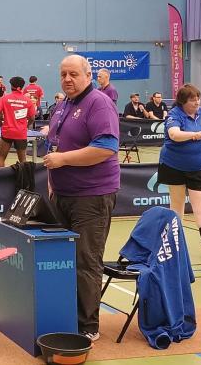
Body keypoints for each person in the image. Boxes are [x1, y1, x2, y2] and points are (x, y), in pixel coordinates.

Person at [41, 54, 120, 342]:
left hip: (92, 196)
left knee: (86, 261)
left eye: (73, 74)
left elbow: (106, 147)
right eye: (63, 74)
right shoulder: (63, 105)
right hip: (63, 194)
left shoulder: (99, 103)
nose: (67, 79)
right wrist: (53, 180)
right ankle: (67, 315)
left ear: (88, 75)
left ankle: (88, 326)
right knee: (64, 259)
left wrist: (63, 161)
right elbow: (54, 145)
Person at [158, 84, 201, 253]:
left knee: (200, 201)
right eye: (192, 100)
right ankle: (173, 240)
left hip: (198, 166)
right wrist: (193, 135)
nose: (197, 102)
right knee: (177, 203)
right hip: (174, 165)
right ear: (182, 102)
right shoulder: (175, 115)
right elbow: (174, 134)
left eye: (198, 98)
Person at [0, 76, 36, 167]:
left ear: (12, 86)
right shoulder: (28, 101)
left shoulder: (4, 98)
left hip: (7, 131)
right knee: (23, 160)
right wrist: (26, 126)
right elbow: (32, 118)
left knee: (1, 158)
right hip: (21, 133)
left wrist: (0, 123)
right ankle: (24, 180)